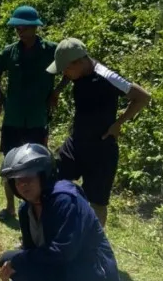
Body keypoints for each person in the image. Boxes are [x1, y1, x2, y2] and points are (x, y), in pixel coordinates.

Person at [0, 143, 123, 281]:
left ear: (44, 175)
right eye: (17, 180)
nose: (23, 184)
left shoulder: (65, 200)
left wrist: (18, 262)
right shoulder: (26, 209)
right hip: (68, 267)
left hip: (93, 273)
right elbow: (32, 251)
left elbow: (62, 252)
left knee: (19, 259)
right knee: (10, 258)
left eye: (29, 177)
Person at [47, 38, 151, 227]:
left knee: (97, 202)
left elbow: (143, 97)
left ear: (78, 62)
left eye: (65, 69)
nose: (64, 73)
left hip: (101, 148)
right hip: (76, 142)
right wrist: (57, 91)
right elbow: (67, 76)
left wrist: (119, 123)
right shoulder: (77, 70)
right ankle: (51, 228)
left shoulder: (106, 77)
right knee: (51, 177)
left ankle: (94, 245)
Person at [0, 5, 68, 223]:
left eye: (23, 27)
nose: (19, 31)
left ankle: (38, 211)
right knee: (9, 162)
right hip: (13, 117)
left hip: (37, 118)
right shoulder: (10, 51)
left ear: (35, 27)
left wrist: (56, 91)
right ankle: (10, 208)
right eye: (17, 27)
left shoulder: (50, 50)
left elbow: (69, 70)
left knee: (37, 165)